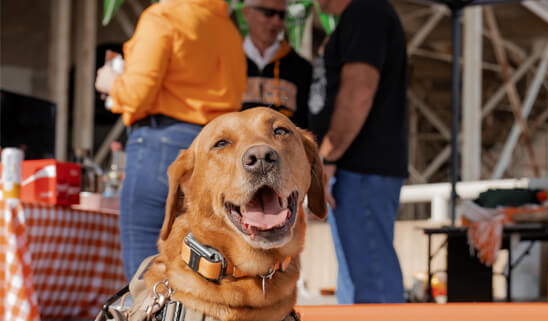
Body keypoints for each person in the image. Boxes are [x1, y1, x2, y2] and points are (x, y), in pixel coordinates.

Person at [95, 0, 246, 281]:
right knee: (208, 276)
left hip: (161, 150)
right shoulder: (228, 29)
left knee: (147, 277)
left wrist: (110, 82)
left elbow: (137, 95)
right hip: (219, 154)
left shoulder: (162, 17)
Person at [308, 0, 408, 304]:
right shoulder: (362, 15)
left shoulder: (366, 12)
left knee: (371, 287)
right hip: (355, 171)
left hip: (358, 169)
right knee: (356, 281)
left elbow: (359, 92)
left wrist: (328, 157)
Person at [240, 0, 312, 128]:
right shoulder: (228, 60)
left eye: (282, 15)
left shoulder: (302, 68)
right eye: (268, 13)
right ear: (246, 13)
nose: (276, 21)